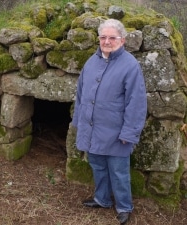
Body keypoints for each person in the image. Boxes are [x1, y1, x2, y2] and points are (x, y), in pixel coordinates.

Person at [71, 19, 147, 225]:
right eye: (103, 37)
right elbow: (80, 95)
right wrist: (79, 121)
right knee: (97, 165)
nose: (107, 41)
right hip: (93, 130)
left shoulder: (130, 65)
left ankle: (124, 206)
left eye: (112, 37)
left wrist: (129, 133)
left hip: (116, 132)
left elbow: (137, 103)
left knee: (119, 172)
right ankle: (101, 199)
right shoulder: (91, 62)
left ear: (122, 40)